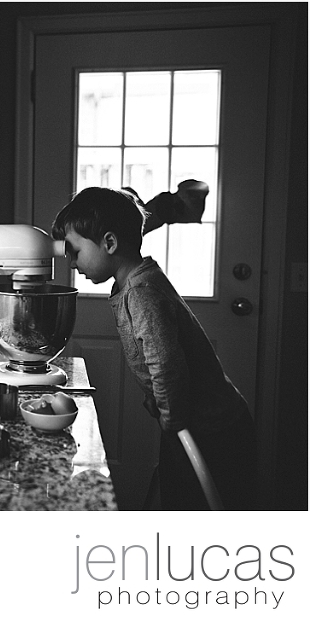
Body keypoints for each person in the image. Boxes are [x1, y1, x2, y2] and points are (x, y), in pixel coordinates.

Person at [51, 187, 258, 510]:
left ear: (109, 243)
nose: (72, 262)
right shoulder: (133, 282)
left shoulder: (142, 292)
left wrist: (171, 422)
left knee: (200, 507)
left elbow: (166, 365)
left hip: (213, 428)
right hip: (192, 420)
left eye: (75, 251)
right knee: (178, 497)